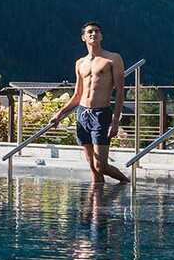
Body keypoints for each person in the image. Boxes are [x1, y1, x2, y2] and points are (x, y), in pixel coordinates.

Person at [47, 21, 128, 184]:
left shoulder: (113, 58)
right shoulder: (80, 63)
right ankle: (96, 200)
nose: (93, 34)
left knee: (101, 166)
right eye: (90, 32)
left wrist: (115, 121)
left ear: (101, 36)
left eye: (97, 31)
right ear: (83, 37)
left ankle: (127, 184)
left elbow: (120, 91)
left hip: (101, 114)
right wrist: (59, 114)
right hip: (82, 114)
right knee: (92, 167)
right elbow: (77, 95)